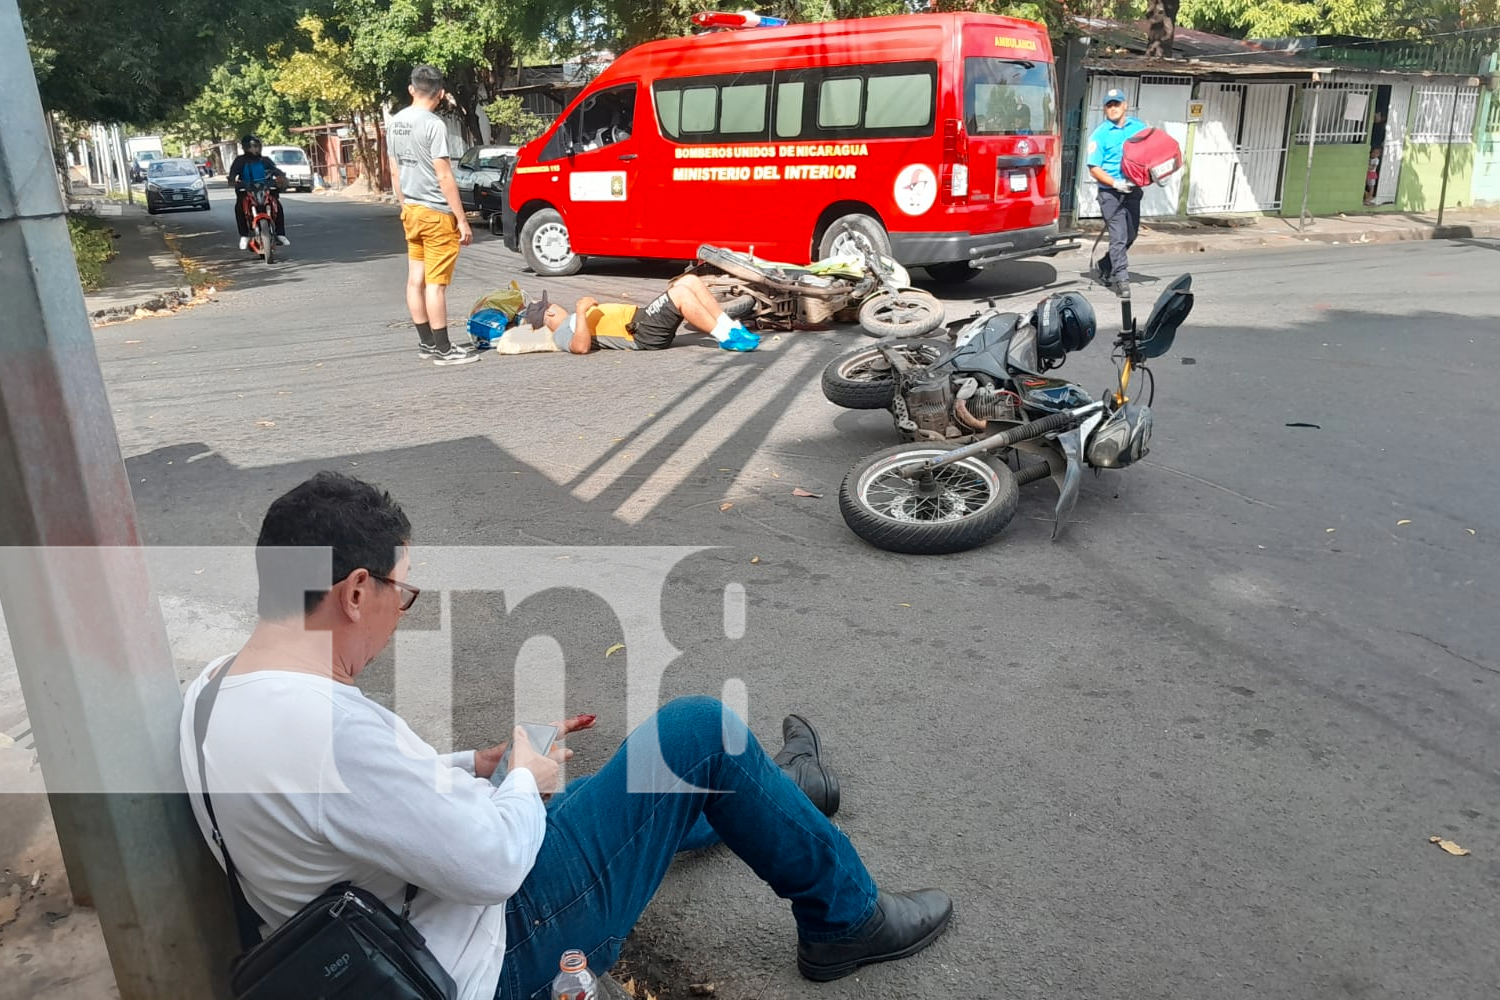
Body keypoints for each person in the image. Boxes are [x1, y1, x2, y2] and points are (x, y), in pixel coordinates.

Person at [178, 471, 952, 1000]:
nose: (399, 610)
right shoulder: (328, 728)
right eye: (400, 591)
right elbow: (491, 866)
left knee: (601, 789)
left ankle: (769, 797)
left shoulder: (212, 691)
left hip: (387, 925)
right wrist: (519, 777)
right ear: (354, 591)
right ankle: (847, 921)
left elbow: (340, 807)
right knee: (696, 730)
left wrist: (471, 765)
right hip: (491, 955)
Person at [389, 64, 480, 366]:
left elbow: (394, 169)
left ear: (412, 89)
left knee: (415, 280)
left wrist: (404, 204)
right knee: (436, 284)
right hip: (437, 213)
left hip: (411, 210)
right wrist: (462, 219)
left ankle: (427, 343)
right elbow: (444, 176)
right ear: (440, 94)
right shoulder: (433, 124)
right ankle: (444, 349)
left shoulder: (396, 121)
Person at [539, 274, 760, 354]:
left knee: (688, 281)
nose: (554, 305)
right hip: (640, 333)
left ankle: (730, 328)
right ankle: (727, 338)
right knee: (681, 293)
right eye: (550, 306)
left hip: (643, 320)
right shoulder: (561, 332)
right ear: (548, 315)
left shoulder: (571, 322)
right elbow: (581, 347)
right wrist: (580, 309)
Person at [1087, 89, 1148, 296]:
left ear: (1125, 105)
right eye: (1109, 105)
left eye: (1116, 104)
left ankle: (1105, 264)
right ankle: (1122, 279)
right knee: (1119, 236)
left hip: (1132, 190)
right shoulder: (1100, 134)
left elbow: (1151, 152)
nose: (1113, 108)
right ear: (1105, 108)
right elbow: (1094, 168)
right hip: (1110, 193)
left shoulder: (1139, 128)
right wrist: (1115, 183)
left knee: (1131, 235)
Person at [226, 135, 290, 250]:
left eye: (258, 146)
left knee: (278, 206)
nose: (257, 149)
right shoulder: (240, 161)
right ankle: (244, 235)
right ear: (246, 148)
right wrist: (232, 181)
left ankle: (280, 234)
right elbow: (233, 175)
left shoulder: (265, 160)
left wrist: (281, 177)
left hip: (265, 190)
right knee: (239, 208)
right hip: (247, 192)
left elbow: (276, 171)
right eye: (254, 146)